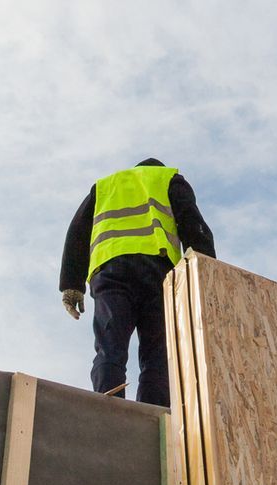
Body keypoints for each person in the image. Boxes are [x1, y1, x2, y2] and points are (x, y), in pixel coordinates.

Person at [58, 157, 215, 406]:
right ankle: (153, 411)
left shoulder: (105, 185)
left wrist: (71, 284)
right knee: (157, 354)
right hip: (158, 273)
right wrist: (205, 280)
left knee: (110, 345)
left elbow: (77, 232)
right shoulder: (169, 179)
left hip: (110, 272)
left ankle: (106, 403)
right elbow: (194, 227)